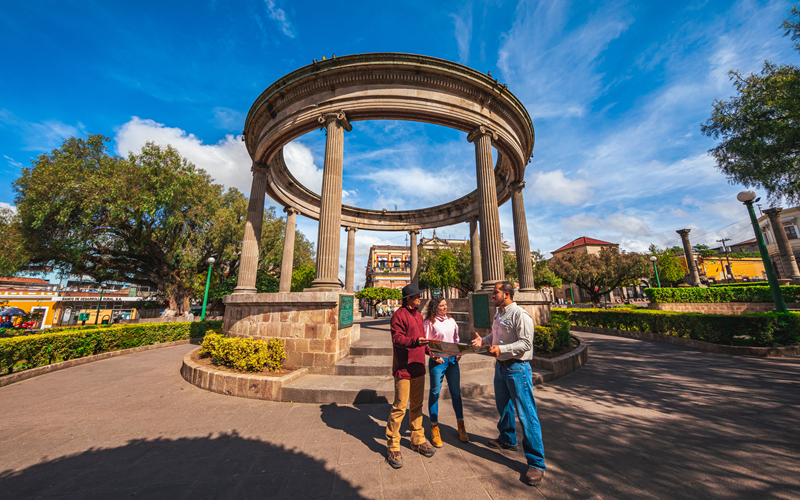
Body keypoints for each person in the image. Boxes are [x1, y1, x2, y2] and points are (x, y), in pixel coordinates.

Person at [471, 282, 546, 486]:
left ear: (506, 294)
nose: (492, 296)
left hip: (518, 369)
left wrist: (500, 350)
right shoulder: (499, 313)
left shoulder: (520, 314)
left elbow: (526, 343)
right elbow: (495, 336)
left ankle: (537, 463)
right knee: (503, 407)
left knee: (526, 413)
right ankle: (507, 439)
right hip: (501, 368)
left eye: (495, 293)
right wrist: (484, 341)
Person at [385, 283, 437, 469]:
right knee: (399, 407)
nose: (420, 298)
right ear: (408, 298)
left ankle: (417, 439)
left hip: (418, 368)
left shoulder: (417, 315)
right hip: (404, 369)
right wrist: (415, 341)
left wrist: (431, 354)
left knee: (417, 406)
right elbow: (397, 339)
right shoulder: (399, 315)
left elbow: (423, 341)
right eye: (417, 296)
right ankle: (393, 445)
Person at [422, 296, 468, 446]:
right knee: (435, 392)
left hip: (453, 360)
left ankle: (461, 425)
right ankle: (434, 427)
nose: (444, 308)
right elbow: (426, 343)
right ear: (435, 307)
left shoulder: (451, 321)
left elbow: (456, 339)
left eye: (445, 305)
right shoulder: (429, 323)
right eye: (441, 306)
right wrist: (433, 356)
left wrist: (459, 353)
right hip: (438, 361)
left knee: (456, 392)